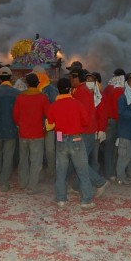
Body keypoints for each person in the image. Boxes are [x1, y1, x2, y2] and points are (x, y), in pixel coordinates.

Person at [45, 77, 94, 209]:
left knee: (60, 171)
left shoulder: (53, 105)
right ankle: (86, 201)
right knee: (82, 171)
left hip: (60, 137)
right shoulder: (77, 104)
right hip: (76, 138)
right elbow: (85, 122)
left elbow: (49, 123)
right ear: (70, 89)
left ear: (58, 90)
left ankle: (61, 199)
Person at [13, 73, 50, 194]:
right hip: (37, 134)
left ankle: (23, 182)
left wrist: (20, 125)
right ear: (38, 84)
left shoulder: (20, 97)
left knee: (23, 159)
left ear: (27, 84)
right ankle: (32, 186)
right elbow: (48, 115)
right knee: (36, 161)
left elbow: (15, 116)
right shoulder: (43, 97)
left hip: (23, 133)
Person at [31, 65, 58, 181]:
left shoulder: (51, 90)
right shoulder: (35, 89)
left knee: (50, 150)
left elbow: (54, 108)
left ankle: (51, 171)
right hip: (37, 125)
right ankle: (39, 173)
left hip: (49, 126)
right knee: (38, 150)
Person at [101, 68, 126, 181]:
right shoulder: (120, 90)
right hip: (116, 121)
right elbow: (119, 109)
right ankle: (111, 173)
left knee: (108, 148)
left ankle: (108, 172)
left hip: (107, 121)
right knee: (114, 149)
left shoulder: (107, 88)